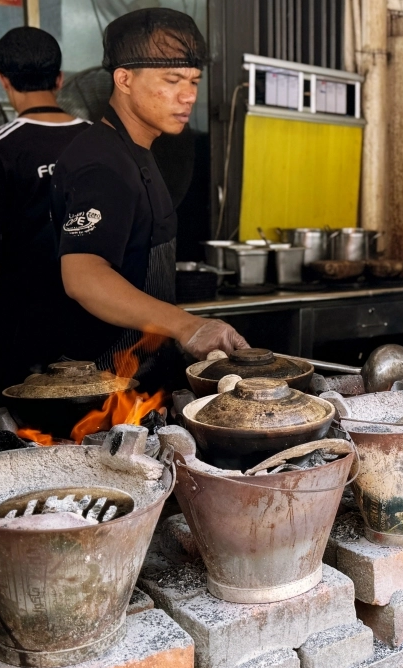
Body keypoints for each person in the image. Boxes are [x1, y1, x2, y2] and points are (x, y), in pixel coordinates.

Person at [51, 8, 247, 390]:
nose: (189, 95)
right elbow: (83, 277)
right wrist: (188, 326)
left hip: (138, 380)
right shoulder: (102, 163)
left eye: (193, 81)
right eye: (172, 80)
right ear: (123, 79)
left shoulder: (138, 151)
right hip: (100, 389)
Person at [0, 27, 92, 393]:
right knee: (94, 417)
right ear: (59, 79)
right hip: (95, 312)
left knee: (20, 421)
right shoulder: (99, 141)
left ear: (2, 79)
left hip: (23, 316)